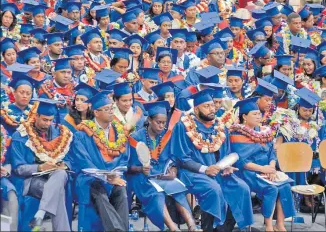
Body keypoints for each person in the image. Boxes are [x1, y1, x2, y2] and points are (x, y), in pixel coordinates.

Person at [171, 89, 254, 231]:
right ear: (196, 109)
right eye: (206, 106)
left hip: (217, 172)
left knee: (242, 188)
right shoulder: (183, 126)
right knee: (213, 190)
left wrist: (226, 166)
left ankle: (224, 229)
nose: (212, 109)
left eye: (212, 105)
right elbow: (182, 158)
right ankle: (208, 228)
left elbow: (226, 153)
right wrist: (205, 169)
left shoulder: (220, 126)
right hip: (193, 173)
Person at [128, 101, 200, 231]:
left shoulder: (167, 136)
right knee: (157, 194)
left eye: (164, 122)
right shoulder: (136, 137)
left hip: (163, 175)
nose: (162, 126)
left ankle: (192, 226)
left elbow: (174, 158)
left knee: (178, 191)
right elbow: (128, 166)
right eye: (158, 122)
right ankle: (173, 228)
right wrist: (140, 169)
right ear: (149, 120)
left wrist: (173, 170)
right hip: (142, 178)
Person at [230, 97, 295, 232]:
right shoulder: (236, 134)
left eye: (259, 113)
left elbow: (272, 153)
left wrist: (271, 168)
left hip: (267, 170)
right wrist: (263, 169)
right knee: (271, 189)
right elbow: (242, 162)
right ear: (244, 117)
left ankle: (280, 224)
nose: (259, 116)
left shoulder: (264, 131)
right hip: (248, 173)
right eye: (254, 114)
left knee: (285, 186)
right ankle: (269, 226)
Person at [10, 98, 74, 231]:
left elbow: (71, 159)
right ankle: (46, 215)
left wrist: (64, 164)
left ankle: (41, 212)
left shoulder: (59, 134)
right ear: (36, 116)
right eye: (45, 120)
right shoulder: (21, 135)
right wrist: (40, 167)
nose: (48, 124)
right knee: (58, 191)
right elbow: (18, 168)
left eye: (51, 120)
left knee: (61, 172)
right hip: (30, 180)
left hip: (55, 176)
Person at [73, 90, 130, 231]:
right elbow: (83, 162)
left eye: (112, 108)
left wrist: (115, 175)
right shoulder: (82, 134)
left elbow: (124, 158)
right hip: (90, 179)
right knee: (99, 194)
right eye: (106, 109)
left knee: (121, 191)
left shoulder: (119, 132)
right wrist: (105, 177)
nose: (111, 112)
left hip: (114, 178)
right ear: (96, 112)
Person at [0, 64, 40, 135]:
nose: (25, 96)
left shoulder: (36, 112)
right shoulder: (4, 114)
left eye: (28, 93)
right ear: (14, 93)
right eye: (21, 92)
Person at [38, 58, 75, 123]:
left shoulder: (74, 89)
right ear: (54, 74)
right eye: (63, 72)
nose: (66, 76)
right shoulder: (46, 91)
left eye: (69, 72)